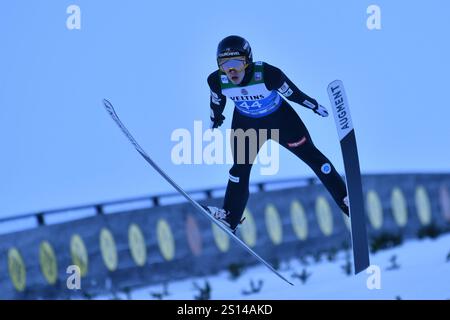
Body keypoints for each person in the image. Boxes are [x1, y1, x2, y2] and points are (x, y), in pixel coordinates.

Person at [203, 35, 349, 234]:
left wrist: (313, 105)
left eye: (237, 62)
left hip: (281, 121)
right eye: (224, 64)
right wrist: (215, 117)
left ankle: (345, 199)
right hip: (247, 125)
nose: (231, 70)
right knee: (239, 170)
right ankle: (230, 217)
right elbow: (217, 102)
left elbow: (293, 93)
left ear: (248, 61)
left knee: (312, 157)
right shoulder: (216, 80)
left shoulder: (268, 74)